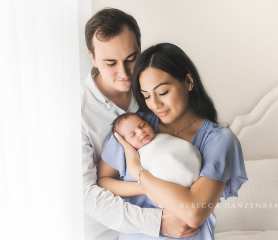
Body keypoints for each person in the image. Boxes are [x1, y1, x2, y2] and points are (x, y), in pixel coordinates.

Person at [101, 43, 248, 239]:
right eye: (146, 96)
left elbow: (194, 213)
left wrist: (139, 172)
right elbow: (103, 182)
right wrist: (144, 190)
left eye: (162, 93)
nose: (155, 104)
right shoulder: (135, 126)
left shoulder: (218, 140)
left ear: (188, 82)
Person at [82, 8, 197, 240]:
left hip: (177, 218)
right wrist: (159, 221)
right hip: (106, 233)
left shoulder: (153, 91)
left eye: (131, 59)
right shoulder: (77, 114)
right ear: (92, 57)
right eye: (110, 63)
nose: (124, 73)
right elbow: (85, 193)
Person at [98, 112, 201, 198]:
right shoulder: (133, 156)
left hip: (194, 178)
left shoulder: (163, 137)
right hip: (169, 190)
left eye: (142, 125)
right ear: (125, 143)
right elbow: (104, 181)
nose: (141, 132)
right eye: (133, 134)